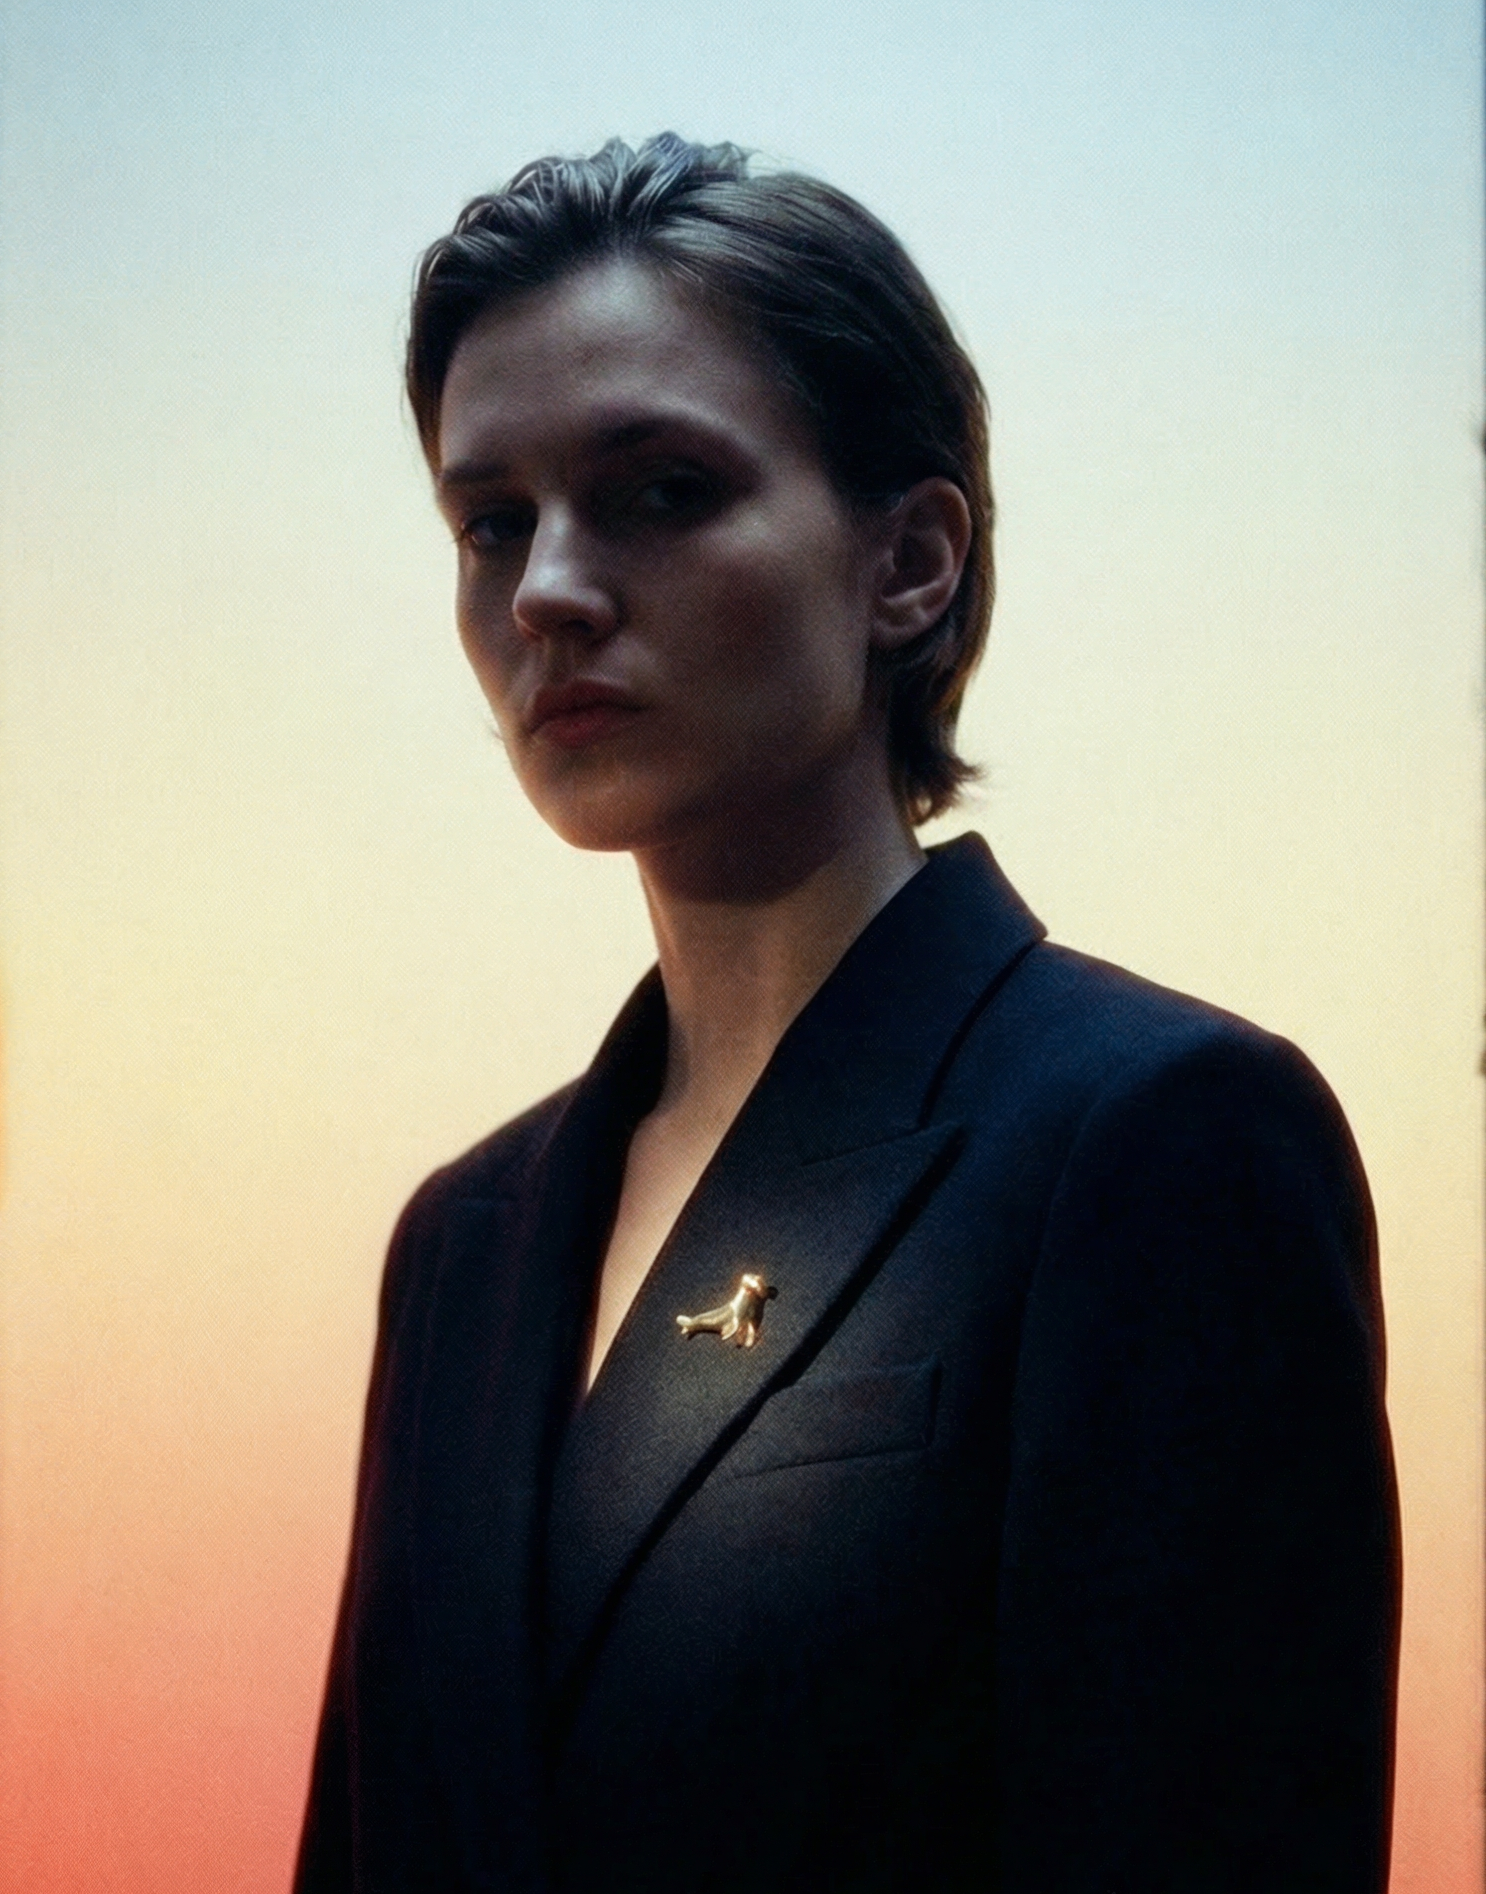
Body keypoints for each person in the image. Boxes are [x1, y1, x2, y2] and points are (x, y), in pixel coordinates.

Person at [294, 134, 1400, 1894]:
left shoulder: (1160, 1136)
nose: (546, 589)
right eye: (490, 521)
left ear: (908, 564)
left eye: (658, 488)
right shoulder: (462, 1243)